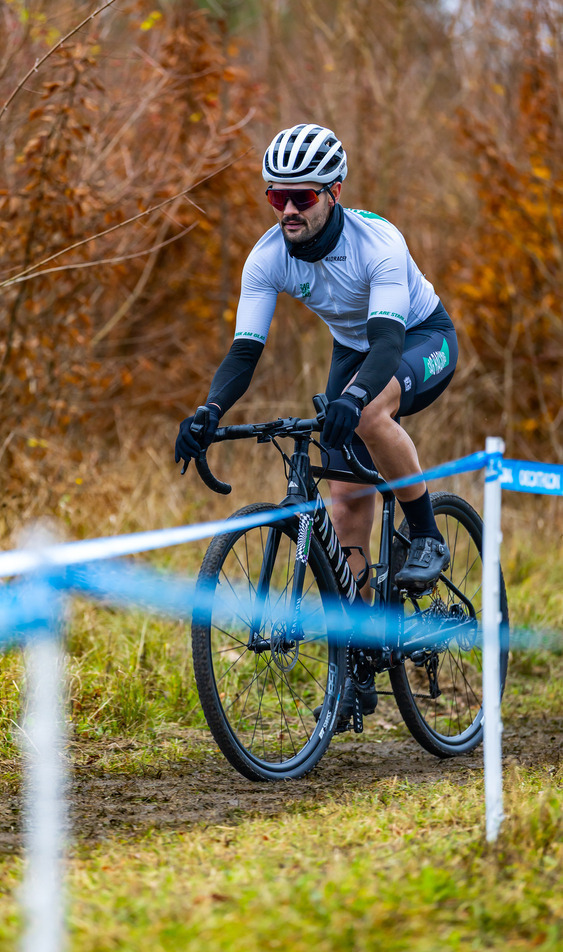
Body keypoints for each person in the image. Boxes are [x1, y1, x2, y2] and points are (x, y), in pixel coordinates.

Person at [175, 123, 458, 728]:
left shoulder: (376, 242)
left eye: (301, 196)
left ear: (333, 192)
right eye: (276, 197)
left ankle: (426, 531)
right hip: (354, 350)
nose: (287, 210)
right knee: (343, 491)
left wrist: (354, 399)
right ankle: (358, 654)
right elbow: (243, 353)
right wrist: (208, 412)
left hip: (418, 339)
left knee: (371, 413)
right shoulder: (267, 257)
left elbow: (387, 342)